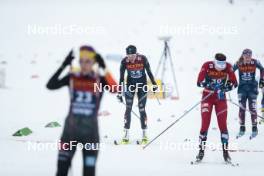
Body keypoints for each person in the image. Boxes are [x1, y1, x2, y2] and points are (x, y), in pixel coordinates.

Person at [46, 45, 118, 176]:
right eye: (81, 61)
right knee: (61, 171)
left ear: (94, 63)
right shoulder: (73, 78)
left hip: (90, 134)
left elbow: (115, 89)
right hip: (69, 132)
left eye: (88, 61)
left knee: (89, 172)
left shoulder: (99, 80)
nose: (84, 65)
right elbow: (50, 85)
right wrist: (63, 65)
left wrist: (104, 68)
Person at [196, 53, 237, 162]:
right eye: (218, 64)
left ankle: (225, 153)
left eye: (222, 65)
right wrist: (210, 85)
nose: (220, 68)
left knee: (223, 125)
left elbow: (235, 83)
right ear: (214, 62)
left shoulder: (228, 66)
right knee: (205, 124)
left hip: (220, 98)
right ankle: (201, 152)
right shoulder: (207, 65)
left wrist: (225, 88)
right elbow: (199, 82)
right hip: (207, 97)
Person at [117, 45, 158, 144]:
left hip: (142, 86)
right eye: (129, 56)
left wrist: (154, 84)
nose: (131, 58)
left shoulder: (143, 59)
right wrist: (119, 92)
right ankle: (126, 135)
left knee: (141, 109)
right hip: (130, 86)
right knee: (128, 108)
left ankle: (144, 134)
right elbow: (121, 78)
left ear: (136, 54)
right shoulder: (124, 61)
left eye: (133, 55)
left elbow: (149, 72)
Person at [233, 49, 264, 139]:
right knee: (242, 108)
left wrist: (262, 80)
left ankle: (254, 127)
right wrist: (232, 82)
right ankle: (242, 127)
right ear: (242, 56)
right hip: (242, 89)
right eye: (246, 57)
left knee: (252, 108)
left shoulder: (255, 62)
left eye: (249, 57)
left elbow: (262, 69)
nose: (247, 58)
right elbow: (230, 71)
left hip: (252, 89)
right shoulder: (238, 63)